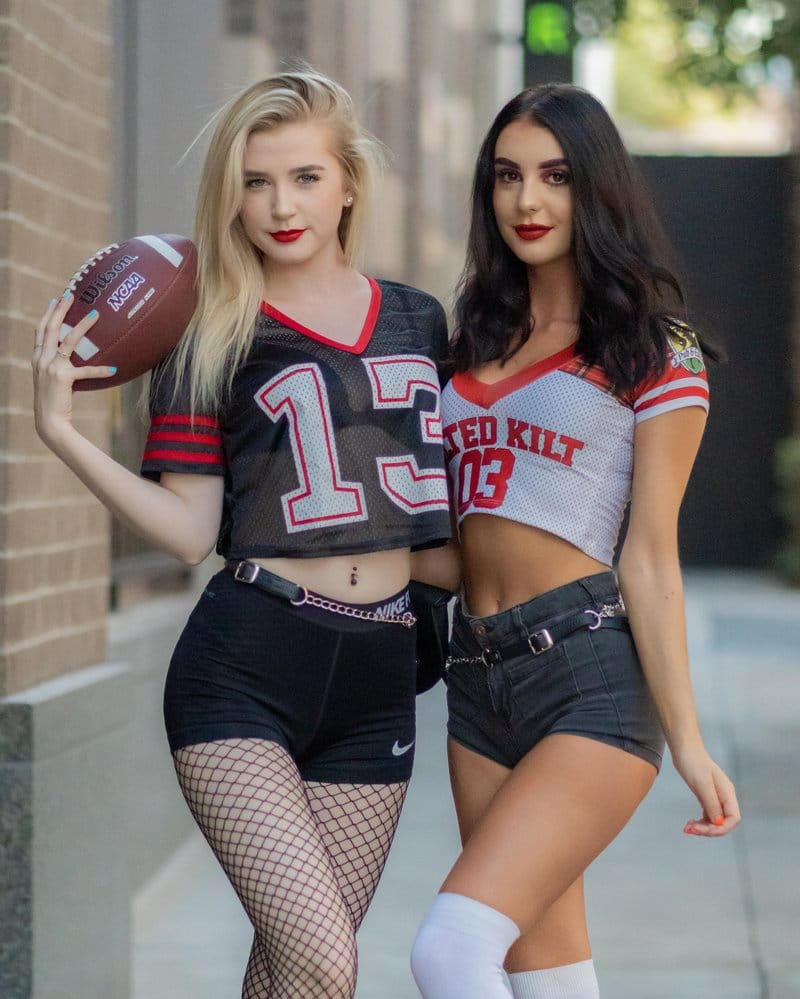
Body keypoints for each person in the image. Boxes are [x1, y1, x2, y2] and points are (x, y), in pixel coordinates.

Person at [32, 69, 453, 998]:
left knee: (295, 975)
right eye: (255, 182)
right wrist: (61, 434)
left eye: (304, 177)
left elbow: (450, 512)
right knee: (324, 958)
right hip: (245, 668)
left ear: (348, 182)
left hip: (379, 681)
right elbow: (188, 533)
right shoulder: (207, 329)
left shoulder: (422, 320)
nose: (279, 204)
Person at [410, 83, 741, 999]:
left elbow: (650, 556)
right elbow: (457, 547)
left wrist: (688, 739)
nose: (528, 201)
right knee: (546, 969)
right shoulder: (467, 343)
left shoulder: (650, 347)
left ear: (594, 188)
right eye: (507, 176)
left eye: (555, 176)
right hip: (476, 680)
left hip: (588, 673)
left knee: (450, 949)